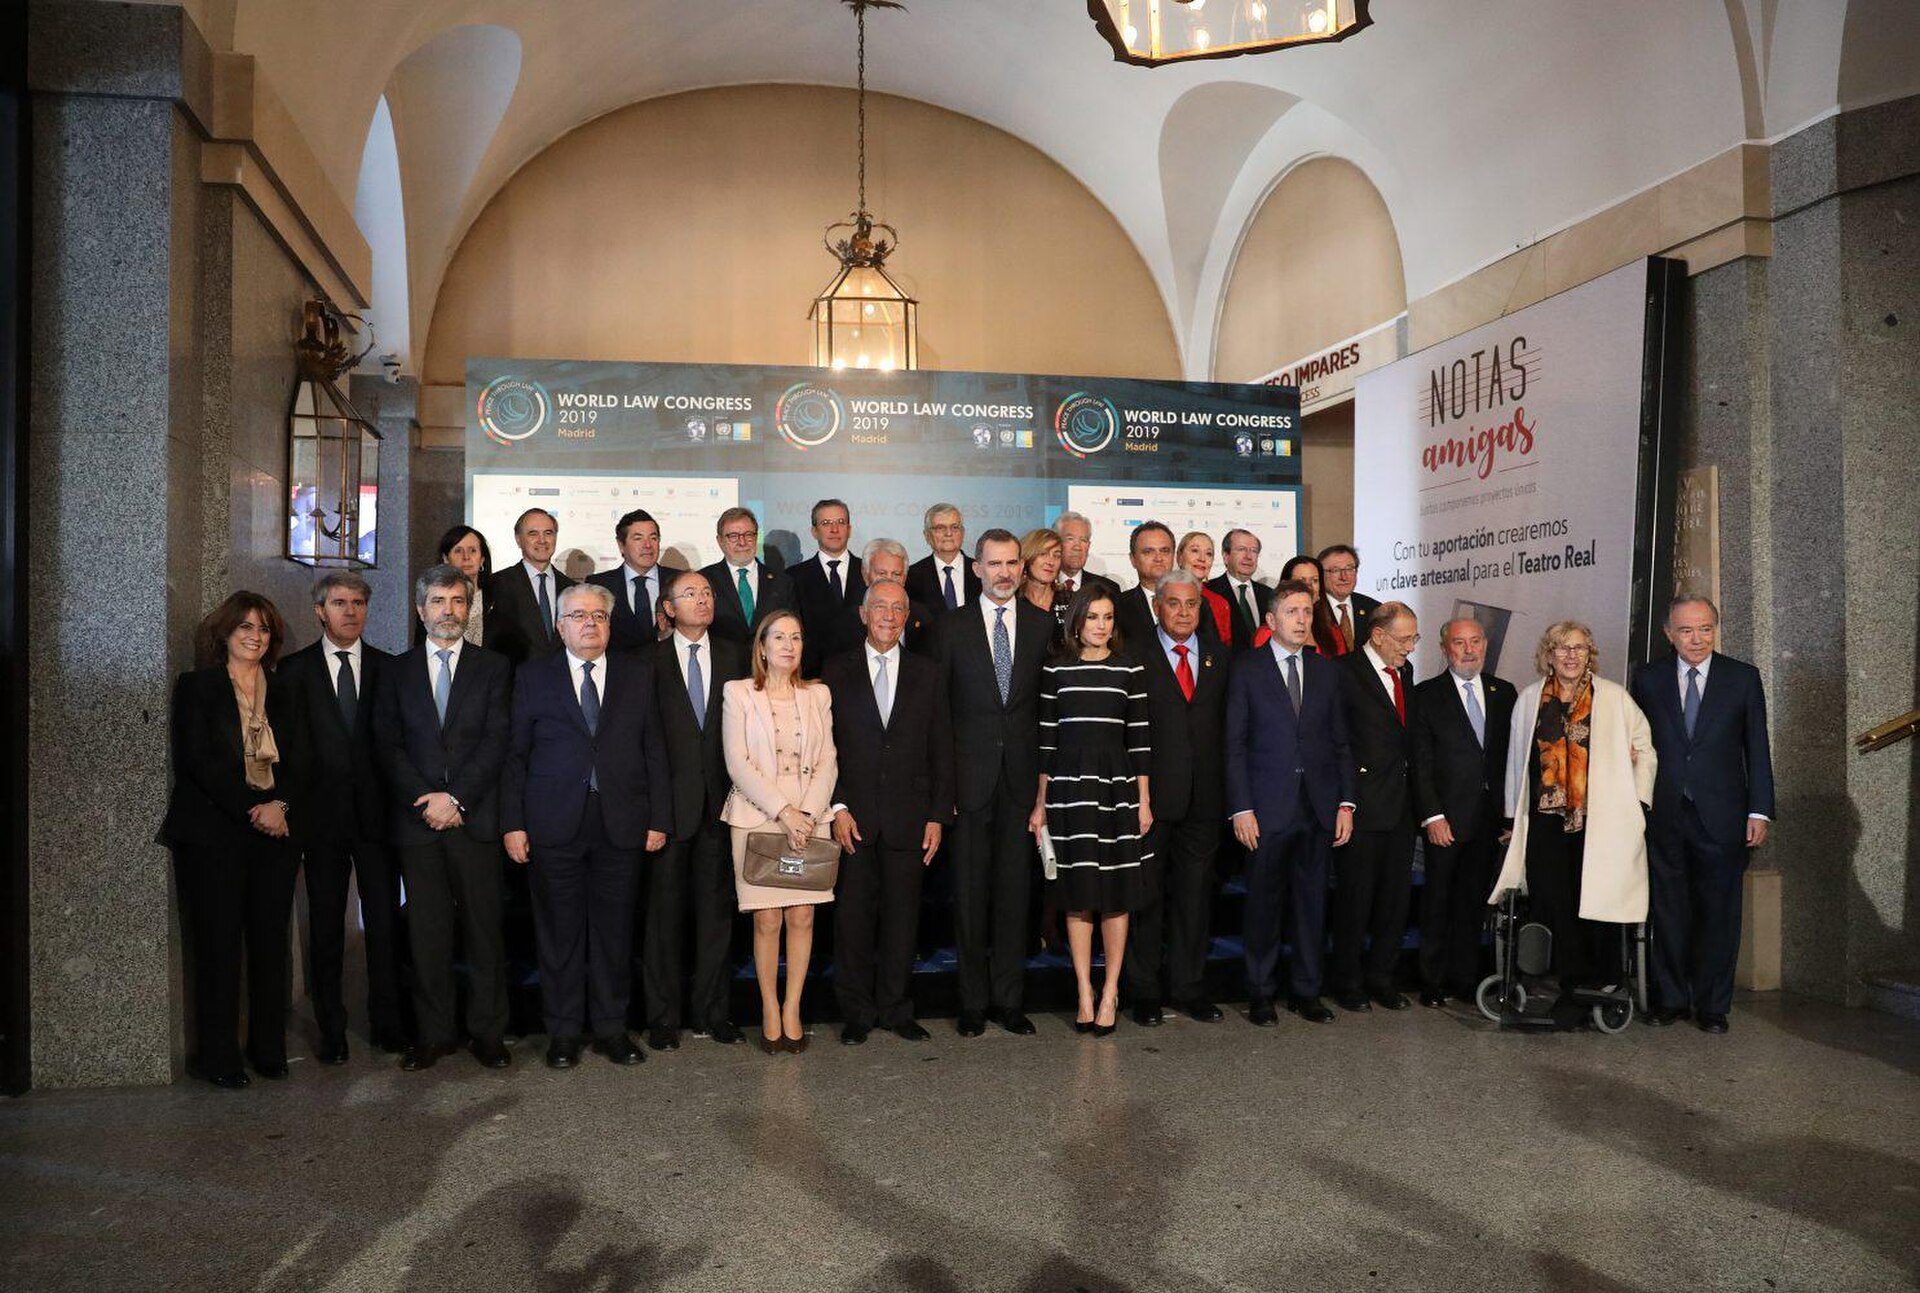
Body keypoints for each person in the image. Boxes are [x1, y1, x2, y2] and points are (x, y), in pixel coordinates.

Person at [501, 583, 672, 1069]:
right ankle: (563, 1033)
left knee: (615, 935)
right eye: (578, 615)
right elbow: (516, 756)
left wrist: (658, 817)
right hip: (554, 824)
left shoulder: (638, 674)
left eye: (599, 615)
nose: (590, 624)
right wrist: (512, 824)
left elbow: (654, 748)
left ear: (610, 623)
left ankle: (613, 1030)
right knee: (560, 935)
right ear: (560, 625)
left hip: (621, 822)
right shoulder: (534, 677)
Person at [164, 593, 312, 1088]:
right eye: (245, 627)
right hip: (215, 834)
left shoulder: (287, 689)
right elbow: (198, 761)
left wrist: (280, 806)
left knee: (271, 945)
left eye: (264, 629)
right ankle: (218, 1056)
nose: (254, 636)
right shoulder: (198, 687)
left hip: (277, 830)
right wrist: (254, 809)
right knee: (218, 945)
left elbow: (306, 759)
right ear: (225, 633)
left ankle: (269, 1049)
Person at [371, 565, 514, 1071]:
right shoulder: (395, 671)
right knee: (426, 935)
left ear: (469, 607)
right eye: (437, 601)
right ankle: (433, 1034)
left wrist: (456, 799)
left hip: (473, 821)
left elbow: (497, 741)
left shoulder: (494, 668)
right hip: (417, 823)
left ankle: (488, 1034)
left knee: (484, 932)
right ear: (420, 609)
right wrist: (428, 800)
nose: (448, 610)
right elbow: (387, 747)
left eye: (457, 600)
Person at [1491, 621, 1656, 1030]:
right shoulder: (1530, 699)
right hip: (1546, 823)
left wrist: (1637, 804)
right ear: (1549, 653)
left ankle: (1595, 984)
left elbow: (1645, 750)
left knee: (1596, 903)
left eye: (1580, 648)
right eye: (1563, 648)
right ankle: (1562, 984)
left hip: (1599, 821)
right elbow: (1518, 763)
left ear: (1590, 654)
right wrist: (1513, 818)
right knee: (1554, 904)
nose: (1571, 656)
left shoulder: (1613, 698)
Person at [1629, 596, 1774, 1033]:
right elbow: (1637, 746)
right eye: (1687, 630)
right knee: (1668, 910)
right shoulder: (1649, 679)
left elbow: (1757, 749)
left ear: (1716, 629)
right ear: (1669, 634)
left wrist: (1760, 810)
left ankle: (1713, 1006)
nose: (1698, 639)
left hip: (1724, 816)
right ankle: (1670, 999)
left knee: (1720, 914)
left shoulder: (1742, 678)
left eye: (1706, 629)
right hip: (1666, 813)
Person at [277, 572, 404, 1064]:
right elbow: (285, 751)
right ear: (319, 611)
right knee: (326, 926)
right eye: (339, 603)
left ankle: (387, 1024)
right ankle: (331, 1029)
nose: (350, 611)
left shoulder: (390, 670)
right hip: (320, 821)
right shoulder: (292, 672)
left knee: (384, 926)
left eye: (358, 603)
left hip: (377, 821)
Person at [824, 579, 954, 1044]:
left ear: (907, 618)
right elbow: (824, 749)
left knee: (903, 918)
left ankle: (897, 1009)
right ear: (863, 614)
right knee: (853, 918)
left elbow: (942, 748)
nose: (888, 615)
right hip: (852, 817)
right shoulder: (835, 670)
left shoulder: (929, 672)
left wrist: (938, 814)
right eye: (879, 607)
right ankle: (857, 1012)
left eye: (897, 608)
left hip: (910, 815)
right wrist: (836, 805)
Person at [933, 529, 1052, 1036]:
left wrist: (1044, 793)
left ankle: (1008, 1001)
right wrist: (945, 790)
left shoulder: (1044, 626)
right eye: (994, 564)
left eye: (1011, 564)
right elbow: (937, 716)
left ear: (1021, 569)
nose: (1004, 573)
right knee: (971, 896)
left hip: (1022, 785)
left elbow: (1049, 712)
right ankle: (972, 1003)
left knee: (1012, 897)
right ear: (975, 568)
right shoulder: (949, 627)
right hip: (968, 784)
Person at [1225, 580, 1356, 1026]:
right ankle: (1260, 993)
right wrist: (1241, 808)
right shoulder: (1246, 668)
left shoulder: (1326, 670)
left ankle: (1306, 991)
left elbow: (1341, 742)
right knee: (1262, 905)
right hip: (1265, 809)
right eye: (1293, 612)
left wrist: (1346, 804)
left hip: (1318, 807)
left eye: (1306, 611)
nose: (1302, 620)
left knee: (1311, 905)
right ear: (1271, 620)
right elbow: (1234, 745)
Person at [1030, 589, 1152, 1036]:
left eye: (1108, 617)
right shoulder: (1057, 667)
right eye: (1093, 617)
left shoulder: (1129, 665)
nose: (1101, 625)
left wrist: (1144, 799)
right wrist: (1041, 802)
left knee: (1116, 895)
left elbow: (1139, 736)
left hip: (1117, 788)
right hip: (1068, 789)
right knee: (1078, 895)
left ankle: (1110, 991)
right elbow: (1046, 739)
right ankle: (1083, 989)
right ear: (1077, 621)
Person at [722, 612, 838, 1053]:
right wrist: (785, 812)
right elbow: (738, 763)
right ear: (762, 647)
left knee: (803, 915)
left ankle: (794, 1008)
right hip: (759, 815)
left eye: (796, 637)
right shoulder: (738, 693)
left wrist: (806, 813)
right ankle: (769, 1007)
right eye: (779, 637)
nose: (788, 645)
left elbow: (828, 758)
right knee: (768, 919)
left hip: (811, 815)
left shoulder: (818, 695)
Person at [646, 569, 748, 1049]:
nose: (702, 599)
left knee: (716, 917)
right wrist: (655, 815)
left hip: (724, 808)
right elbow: (643, 745)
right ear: (668, 608)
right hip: (669, 813)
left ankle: (714, 1012)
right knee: (664, 920)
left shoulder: (736, 655)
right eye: (690, 594)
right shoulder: (647, 662)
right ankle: (664, 1018)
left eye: (706, 592)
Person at [1126, 570, 1229, 1026]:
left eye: (1192, 604)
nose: (1184, 612)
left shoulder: (1221, 659)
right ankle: (1144, 992)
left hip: (1204, 802)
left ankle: (1189, 988)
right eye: (1174, 603)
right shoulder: (1132, 656)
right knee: (1146, 898)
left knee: (1195, 898)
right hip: (1150, 801)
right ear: (1157, 607)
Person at [1410, 616, 1516, 1007]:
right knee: (1438, 900)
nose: (1468, 649)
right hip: (1445, 820)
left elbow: (1511, 757)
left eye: (1475, 641)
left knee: (1474, 902)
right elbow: (1420, 764)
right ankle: (1432, 981)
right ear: (1444, 648)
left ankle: (1466, 978)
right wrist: (1432, 816)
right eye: (1459, 642)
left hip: (1488, 820)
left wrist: (1509, 816)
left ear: (1486, 646)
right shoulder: (1426, 695)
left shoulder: (1504, 692)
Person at [1331, 601, 1421, 1012]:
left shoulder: (1405, 671)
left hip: (1402, 803)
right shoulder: (1344, 672)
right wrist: (1345, 801)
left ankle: (1382, 977)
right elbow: (1338, 741)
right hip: (1363, 803)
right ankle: (1348, 981)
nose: (1410, 647)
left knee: (1394, 898)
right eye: (1404, 639)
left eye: (1414, 638)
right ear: (1378, 635)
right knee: (1356, 897)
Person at [485, 508, 573, 664]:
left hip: (562, 682)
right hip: (515, 682)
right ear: (518, 540)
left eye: (548, 533)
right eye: (533, 534)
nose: (542, 540)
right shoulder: (497, 584)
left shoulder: (572, 588)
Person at [790, 498, 866, 676]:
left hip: (863, 677)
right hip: (812, 678)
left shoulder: (869, 571)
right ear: (814, 531)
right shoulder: (793, 577)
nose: (834, 529)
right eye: (826, 523)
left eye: (841, 522)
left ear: (849, 529)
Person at [701, 506, 795, 646]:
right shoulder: (703, 580)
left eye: (748, 535)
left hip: (769, 665)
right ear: (720, 541)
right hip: (721, 665)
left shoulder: (782, 582)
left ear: (756, 537)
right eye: (733, 536)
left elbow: (792, 629)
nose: (742, 542)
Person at [587, 508, 667, 652]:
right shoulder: (598, 585)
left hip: (671, 670)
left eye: (653, 538)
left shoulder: (678, 581)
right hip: (618, 671)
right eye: (638, 538)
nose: (648, 545)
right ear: (621, 545)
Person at [862, 537, 935, 653]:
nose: (889, 580)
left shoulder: (924, 617)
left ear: (905, 578)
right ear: (865, 575)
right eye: (882, 573)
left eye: (896, 574)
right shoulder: (847, 624)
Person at [905, 502, 980, 616]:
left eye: (954, 527)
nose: (948, 533)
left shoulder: (981, 571)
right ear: (927, 536)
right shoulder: (912, 576)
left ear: (963, 533)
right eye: (940, 528)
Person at [1210, 529, 1272, 653]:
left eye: (1254, 551)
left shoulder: (1269, 594)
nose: (1248, 556)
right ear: (1226, 556)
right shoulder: (1210, 591)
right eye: (1241, 549)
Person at [433, 523, 493, 647]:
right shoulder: (432, 600)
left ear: (482, 559)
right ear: (445, 559)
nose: (466, 557)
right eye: (458, 551)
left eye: (473, 551)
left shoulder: (499, 598)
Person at [1316, 544, 1378, 657]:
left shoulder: (1373, 608)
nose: (1344, 577)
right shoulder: (1313, 610)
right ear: (1320, 574)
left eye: (1350, 569)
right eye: (1335, 570)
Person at [1176, 530, 1235, 644]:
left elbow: (1224, 649)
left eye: (1209, 554)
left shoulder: (1220, 603)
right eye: (1195, 551)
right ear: (1179, 557)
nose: (1202, 558)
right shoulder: (1164, 595)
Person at [1019, 526, 1070, 651]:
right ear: (1028, 557)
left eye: (1056, 556)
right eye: (1043, 554)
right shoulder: (1013, 601)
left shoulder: (1070, 600)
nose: (1050, 562)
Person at [1054, 510, 1119, 602]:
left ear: (1088, 546)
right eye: (1070, 539)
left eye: (1083, 540)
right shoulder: (1043, 586)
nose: (1077, 547)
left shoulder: (1109, 589)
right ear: (1056, 543)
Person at [1280, 555, 1336, 653]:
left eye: (1314, 580)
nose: (1309, 587)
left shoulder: (1332, 630)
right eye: (1301, 581)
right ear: (1285, 585)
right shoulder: (1270, 632)